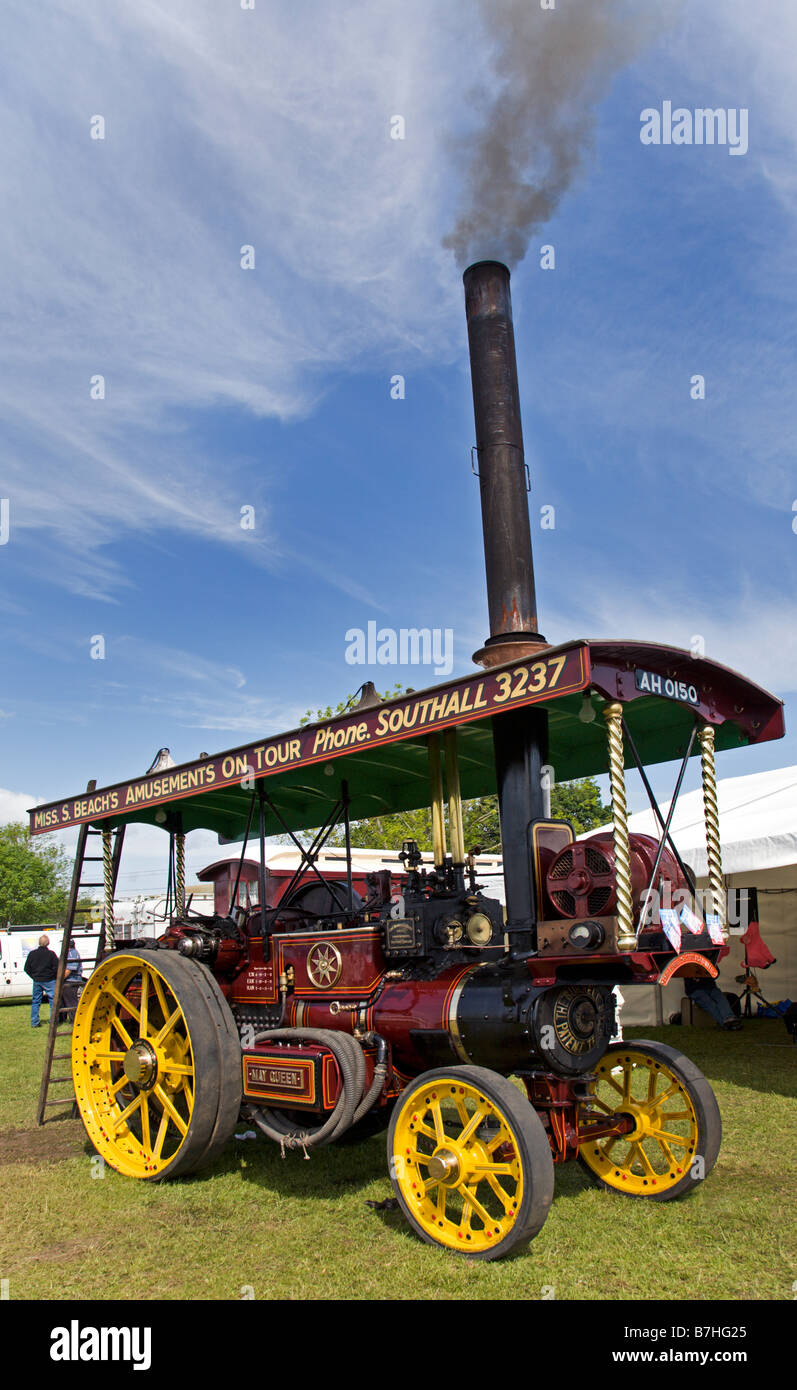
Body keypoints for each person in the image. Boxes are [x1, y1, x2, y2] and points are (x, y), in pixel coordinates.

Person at [24, 934, 60, 1028]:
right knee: (53, 1001)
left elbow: (26, 968)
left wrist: (34, 976)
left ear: (39, 943)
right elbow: (57, 968)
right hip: (49, 980)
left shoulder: (32, 954)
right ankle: (53, 1022)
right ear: (48, 943)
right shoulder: (51, 954)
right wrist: (52, 976)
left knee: (36, 1001)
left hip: (37, 980)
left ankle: (34, 1022)